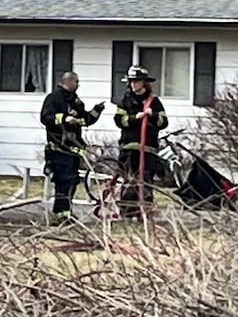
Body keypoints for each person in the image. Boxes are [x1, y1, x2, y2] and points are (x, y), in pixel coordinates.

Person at [40, 71, 105, 224]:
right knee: (63, 181)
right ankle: (60, 214)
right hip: (58, 148)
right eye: (76, 82)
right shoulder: (54, 98)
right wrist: (63, 118)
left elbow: (84, 120)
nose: (78, 85)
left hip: (73, 150)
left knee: (72, 181)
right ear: (67, 81)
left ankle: (66, 213)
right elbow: (46, 117)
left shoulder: (75, 101)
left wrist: (97, 110)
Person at [114, 65, 168, 217]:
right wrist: (134, 118)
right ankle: (127, 213)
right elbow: (119, 120)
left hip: (148, 148)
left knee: (146, 181)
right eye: (131, 82)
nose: (133, 84)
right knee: (129, 180)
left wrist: (153, 115)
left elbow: (163, 122)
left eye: (136, 81)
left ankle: (145, 211)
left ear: (144, 83)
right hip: (129, 147)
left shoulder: (154, 102)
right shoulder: (125, 101)